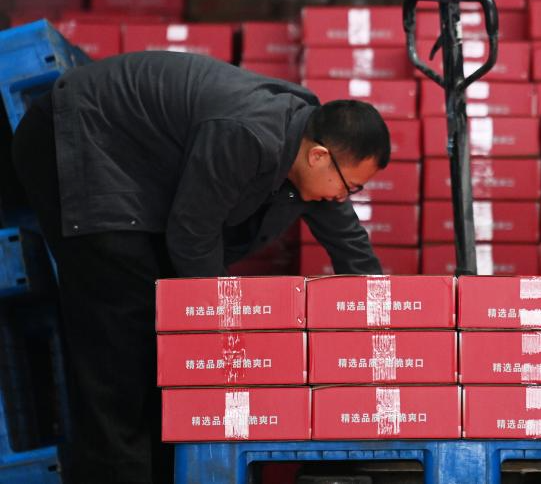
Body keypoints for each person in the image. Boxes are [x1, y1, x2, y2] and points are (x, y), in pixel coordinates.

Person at [11, 50, 391, 484]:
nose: (344, 197)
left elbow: (349, 244)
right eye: (350, 186)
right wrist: (221, 328)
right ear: (319, 156)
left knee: (161, 343)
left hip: (138, 176)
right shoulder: (248, 133)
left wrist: (386, 326)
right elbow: (192, 233)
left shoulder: (309, 150)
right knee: (121, 341)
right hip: (83, 141)